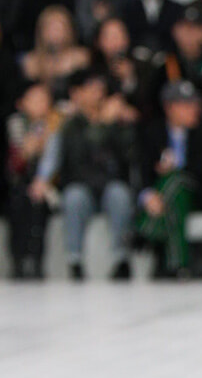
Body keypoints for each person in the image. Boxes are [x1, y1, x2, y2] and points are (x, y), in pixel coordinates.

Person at [53, 66, 138, 279]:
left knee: (119, 194)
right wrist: (103, 124)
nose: (97, 93)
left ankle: (121, 258)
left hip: (109, 185)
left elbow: (129, 153)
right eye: (90, 88)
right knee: (73, 197)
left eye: (99, 88)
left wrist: (122, 124)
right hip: (82, 185)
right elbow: (76, 156)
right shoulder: (71, 125)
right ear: (77, 93)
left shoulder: (117, 121)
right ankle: (75, 260)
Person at [137, 81, 202, 278]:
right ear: (169, 107)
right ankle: (177, 264)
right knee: (174, 195)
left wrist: (175, 168)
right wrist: (148, 195)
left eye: (194, 104)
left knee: (177, 179)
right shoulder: (152, 132)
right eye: (186, 105)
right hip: (166, 198)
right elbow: (142, 169)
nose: (193, 110)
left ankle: (146, 230)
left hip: (197, 193)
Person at [5, 79, 60, 278]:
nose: (39, 104)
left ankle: (36, 259)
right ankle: (18, 259)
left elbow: (56, 159)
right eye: (34, 99)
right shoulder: (16, 122)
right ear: (23, 102)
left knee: (39, 208)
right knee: (19, 203)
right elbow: (19, 159)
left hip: (48, 184)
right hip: (20, 181)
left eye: (43, 99)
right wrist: (30, 148)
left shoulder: (55, 123)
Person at [18, 7, 91, 102]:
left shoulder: (81, 58)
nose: (54, 32)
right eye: (50, 27)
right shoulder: (30, 61)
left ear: (68, 30)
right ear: (41, 31)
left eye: (59, 27)